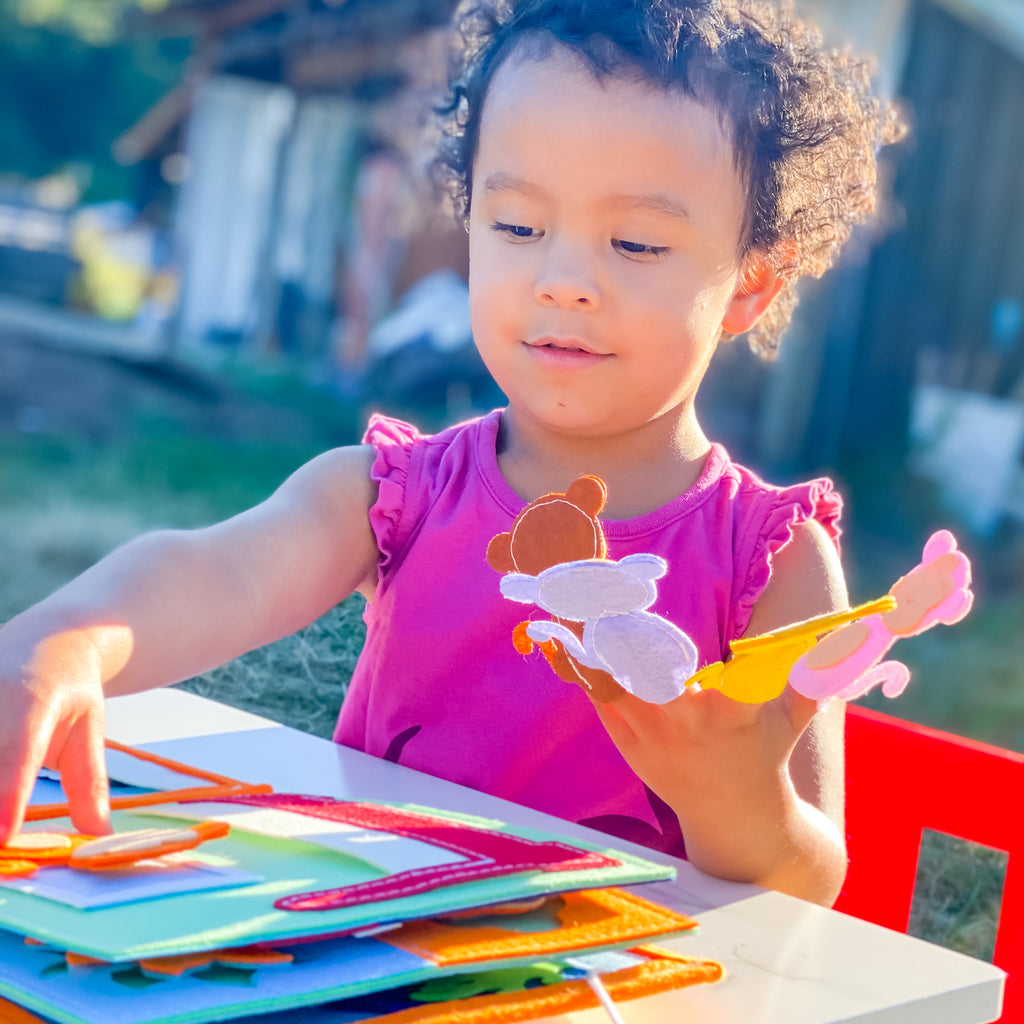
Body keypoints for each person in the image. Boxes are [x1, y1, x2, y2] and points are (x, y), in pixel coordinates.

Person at [0, 0, 902, 907]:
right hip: (360, 959)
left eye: (635, 242)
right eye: (517, 226)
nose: (563, 280)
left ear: (750, 283)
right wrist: (61, 642)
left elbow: (810, 883)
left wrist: (739, 804)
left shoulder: (772, 563)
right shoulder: (393, 494)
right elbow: (217, 573)